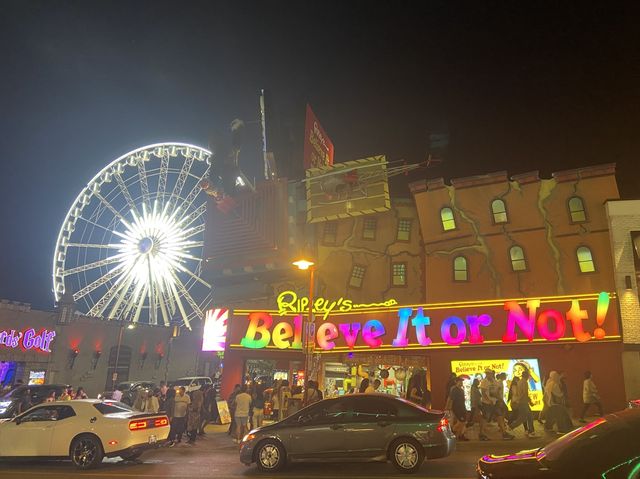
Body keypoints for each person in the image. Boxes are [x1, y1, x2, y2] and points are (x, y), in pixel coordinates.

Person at [480, 369, 514, 440]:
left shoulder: (494, 381)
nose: (489, 375)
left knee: (500, 416)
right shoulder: (484, 382)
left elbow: (497, 390)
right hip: (487, 403)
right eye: (487, 373)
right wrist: (488, 400)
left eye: (490, 373)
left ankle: (504, 433)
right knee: (485, 418)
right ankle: (481, 434)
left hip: (495, 402)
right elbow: (483, 393)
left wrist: (499, 398)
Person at [508, 369, 536, 438]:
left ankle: (531, 431)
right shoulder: (524, 382)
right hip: (523, 402)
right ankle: (530, 431)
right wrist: (530, 402)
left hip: (521, 402)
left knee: (526, 417)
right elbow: (524, 393)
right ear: (526, 375)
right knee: (525, 417)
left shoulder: (519, 382)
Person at [449, 376, 469, 441]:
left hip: (462, 408)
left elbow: (463, 400)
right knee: (461, 422)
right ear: (456, 382)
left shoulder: (461, 390)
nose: (461, 383)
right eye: (460, 381)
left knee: (463, 422)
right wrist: (450, 408)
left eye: (462, 381)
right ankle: (452, 432)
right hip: (456, 408)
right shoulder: (454, 390)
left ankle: (459, 435)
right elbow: (451, 399)